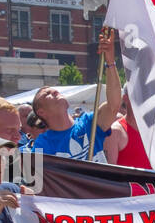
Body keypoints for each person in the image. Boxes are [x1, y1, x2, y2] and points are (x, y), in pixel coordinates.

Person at [31, 28, 120, 161]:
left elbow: (114, 105)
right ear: (41, 112)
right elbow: (33, 180)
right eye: (46, 94)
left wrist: (110, 61)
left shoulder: (89, 123)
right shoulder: (40, 145)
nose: (55, 91)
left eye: (53, 89)